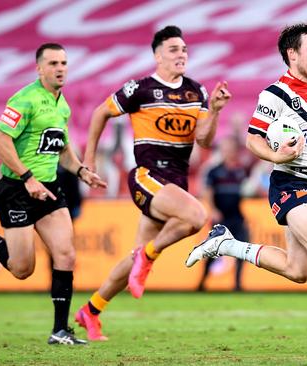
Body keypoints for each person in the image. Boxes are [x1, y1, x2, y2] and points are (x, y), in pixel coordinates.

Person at [186, 23, 307, 358]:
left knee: (298, 271)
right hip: (288, 182)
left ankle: (226, 244)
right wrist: (276, 155)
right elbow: (252, 138)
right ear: (292, 53)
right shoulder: (274, 95)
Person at [74, 25, 231, 341]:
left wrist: (213, 111)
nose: (181, 55)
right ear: (158, 55)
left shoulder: (196, 92)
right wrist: (88, 159)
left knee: (134, 255)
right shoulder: (140, 89)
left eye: (184, 49)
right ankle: (149, 255)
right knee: (197, 217)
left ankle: (90, 311)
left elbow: (203, 140)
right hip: (147, 176)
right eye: (174, 49)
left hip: (174, 183)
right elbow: (98, 113)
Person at [0, 43, 106, 344]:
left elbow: (63, 151)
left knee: (66, 254)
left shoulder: (62, 104)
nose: (60, 68)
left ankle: (60, 331)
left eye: (64, 63)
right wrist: (28, 177)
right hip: (17, 190)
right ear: (39, 68)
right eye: (53, 63)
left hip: (48, 190)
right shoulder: (24, 99)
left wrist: (83, 172)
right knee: (22, 269)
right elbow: (0, 142)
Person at [197, 136, 248, 292]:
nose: (229, 152)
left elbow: (247, 189)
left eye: (231, 149)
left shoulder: (240, 171)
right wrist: (213, 210)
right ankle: (202, 283)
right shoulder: (214, 171)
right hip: (222, 218)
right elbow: (207, 191)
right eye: (226, 149)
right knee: (214, 251)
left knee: (243, 250)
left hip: (237, 217)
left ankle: (237, 285)